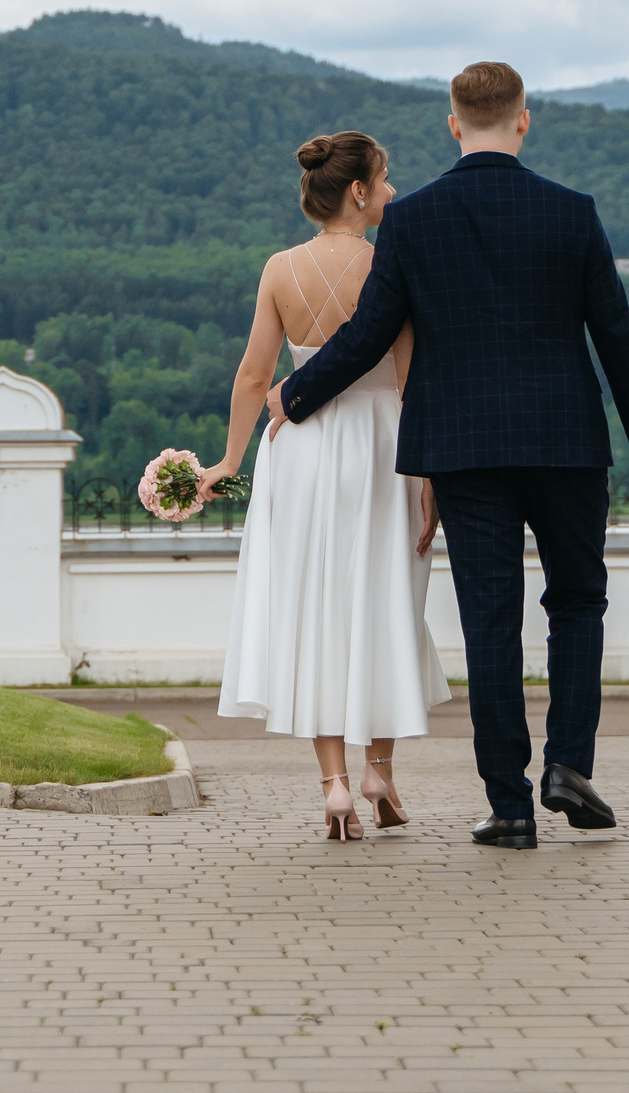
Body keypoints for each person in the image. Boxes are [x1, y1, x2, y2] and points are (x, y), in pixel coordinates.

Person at [265, 62, 629, 851]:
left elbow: (370, 332)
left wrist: (298, 394)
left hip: (465, 446)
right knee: (578, 601)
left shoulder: (412, 221)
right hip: (565, 441)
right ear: (524, 121)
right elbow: (616, 334)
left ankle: (510, 805)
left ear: (454, 125)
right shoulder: (572, 212)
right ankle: (569, 767)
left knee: (490, 618)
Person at [202, 129, 450, 841]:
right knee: (386, 601)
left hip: (301, 451)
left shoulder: (280, 269)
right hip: (381, 446)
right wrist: (428, 471)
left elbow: (254, 375)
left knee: (314, 608)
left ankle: (334, 785)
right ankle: (381, 768)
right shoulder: (391, 265)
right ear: (358, 191)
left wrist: (228, 461)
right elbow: (409, 379)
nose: (394, 192)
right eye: (386, 178)